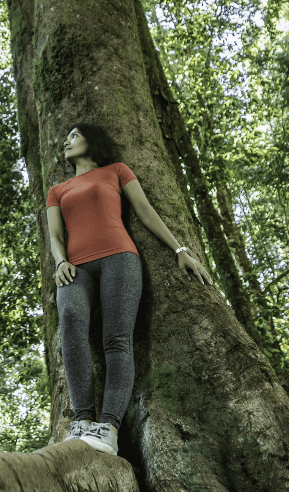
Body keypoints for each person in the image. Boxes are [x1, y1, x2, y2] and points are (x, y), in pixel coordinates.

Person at [46, 122, 210, 456]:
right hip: (76, 268)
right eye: (67, 137)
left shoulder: (116, 171)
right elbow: (55, 235)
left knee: (117, 339)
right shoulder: (57, 190)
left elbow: (145, 211)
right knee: (72, 328)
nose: (66, 141)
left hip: (120, 258)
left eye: (74, 135)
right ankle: (82, 422)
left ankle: (108, 428)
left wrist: (180, 251)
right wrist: (60, 262)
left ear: (93, 139)